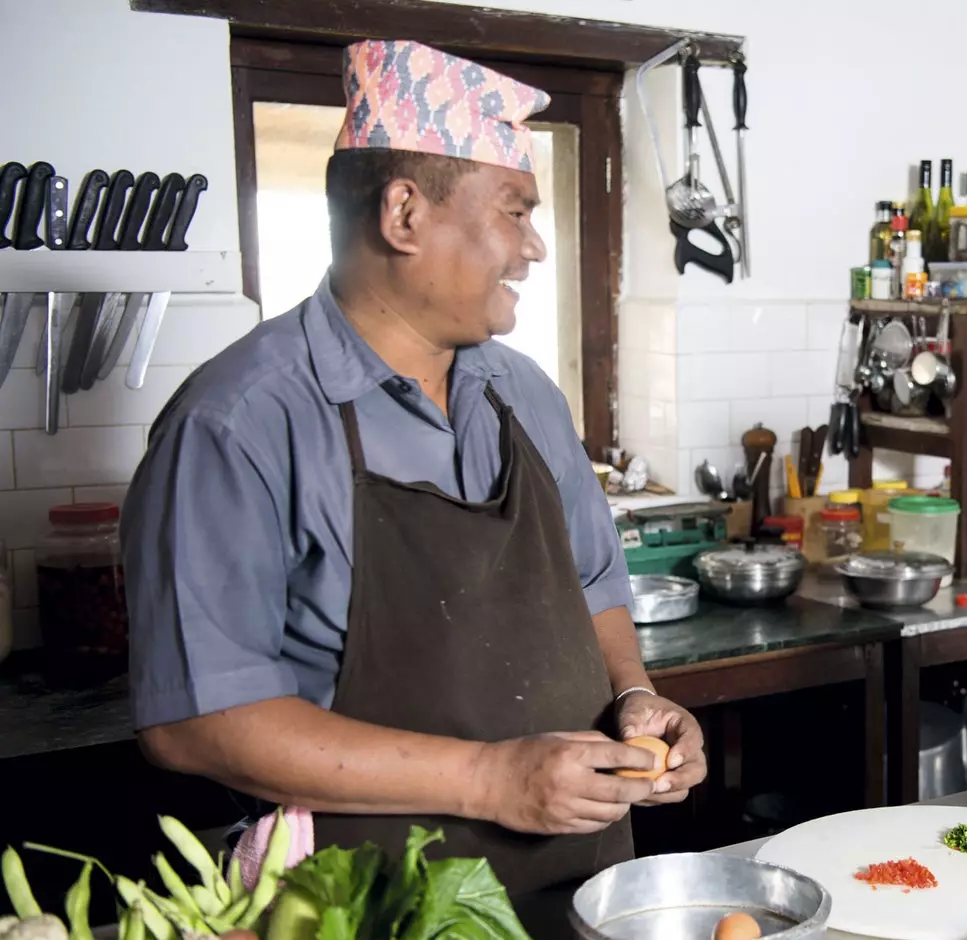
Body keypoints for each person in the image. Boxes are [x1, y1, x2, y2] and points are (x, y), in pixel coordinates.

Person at [122, 40, 706, 892]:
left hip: (582, 892)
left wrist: (633, 696)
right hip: (367, 926)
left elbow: (597, 588)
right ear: (404, 214)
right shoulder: (237, 424)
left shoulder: (524, 394)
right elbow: (197, 720)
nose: (536, 246)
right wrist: (492, 780)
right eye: (515, 209)